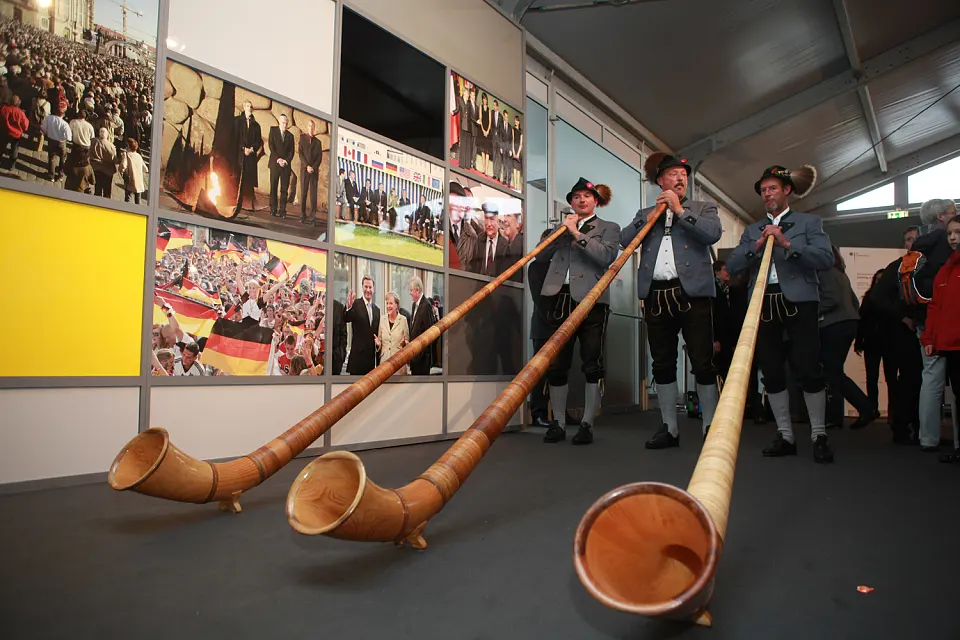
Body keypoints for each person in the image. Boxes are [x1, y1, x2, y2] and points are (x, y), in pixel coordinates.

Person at [727, 164, 836, 463]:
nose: (767, 194)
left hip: (800, 302)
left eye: (772, 188)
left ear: (787, 190)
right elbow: (734, 265)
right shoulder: (752, 230)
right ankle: (785, 435)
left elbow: (826, 258)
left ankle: (818, 435)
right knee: (771, 370)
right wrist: (758, 245)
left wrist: (787, 243)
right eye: (763, 190)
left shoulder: (809, 223)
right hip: (763, 304)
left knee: (808, 367)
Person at [625, 153, 723, 449]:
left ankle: (711, 428)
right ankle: (669, 428)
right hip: (656, 295)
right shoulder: (647, 212)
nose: (680, 178)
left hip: (693, 294)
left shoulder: (703, 208)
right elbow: (626, 240)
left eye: (684, 174)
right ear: (659, 181)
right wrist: (651, 215)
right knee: (662, 363)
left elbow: (712, 234)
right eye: (673, 174)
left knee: (702, 362)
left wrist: (679, 210)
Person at [537, 177, 621, 445]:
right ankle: (558, 422)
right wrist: (562, 231)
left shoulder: (609, 228)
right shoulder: (560, 227)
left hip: (592, 299)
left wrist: (576, 234)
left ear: (596, 201)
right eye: (576, 196)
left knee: (591, 361)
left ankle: (587, 422)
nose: (581, 200)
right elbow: (540, 255)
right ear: (570, 202)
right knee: (556, 363)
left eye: (586, 196)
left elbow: (606, 257)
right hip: (558, 297)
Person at [817, 246, 879, 429]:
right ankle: (838, 416)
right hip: (848, 323)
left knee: (832, 371)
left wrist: (813, 313)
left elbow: (831, 299)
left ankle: (865, 408)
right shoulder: (840, 273)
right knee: (834, 371)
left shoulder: (823, 271)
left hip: (832, 325)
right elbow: (854, 302)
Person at [920, 215, 960, 461]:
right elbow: (935, 307)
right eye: (950, 233)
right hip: (950, 345)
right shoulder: (945, 271)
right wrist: (929, 338)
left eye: (958, 232)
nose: (953, 237)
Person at [344, 275, 380, 375]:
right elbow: (346, 318)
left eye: (370, 287)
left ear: (373, 289)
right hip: (357, 361)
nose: (368, 290)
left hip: (371, 362)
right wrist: (348, 307)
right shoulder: (355, 304)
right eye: (366, 287)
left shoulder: (377, 310)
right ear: (362, 287)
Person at [407, 276, 437, 375]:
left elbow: (430, 333)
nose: (410, 293)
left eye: (411, 290)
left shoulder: (426, 306)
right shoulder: (414, 305)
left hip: (422, 359)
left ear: (417, 290)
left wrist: (421, 354)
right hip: (414, 357)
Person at [375, 292, 409, 374]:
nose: (388, 306)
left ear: (397, 305)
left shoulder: (403, 320)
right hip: (384, 363)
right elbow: (380, 341)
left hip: (399, 363)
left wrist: (405, 343)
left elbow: (408, 342)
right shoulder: (382, 319)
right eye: (387, 303)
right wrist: (378, 344)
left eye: (391, 303)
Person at [268, 113, 295, 218]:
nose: (285, 125)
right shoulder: (273, 130)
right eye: (283, 122)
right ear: (279, 122)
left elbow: (291, 152)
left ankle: (282, 210)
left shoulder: (290, 136)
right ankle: (273, 208)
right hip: (275, 163)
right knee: (273, 187)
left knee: (284, 189)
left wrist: (285, 161)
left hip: (286, 166)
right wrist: (278, 159)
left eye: (286, 123)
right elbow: (271, 146)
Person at [298, 119, 323, 225]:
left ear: (314, 128)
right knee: (303, 192)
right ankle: (302, 215)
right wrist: (307, 166)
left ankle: (312, 216)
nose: (311, 128)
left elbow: (319, 157)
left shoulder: (318, 142)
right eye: (309, 126)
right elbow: (300, 153)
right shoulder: (302, 138)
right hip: (304, 169)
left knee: (313, 194)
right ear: (307, 127)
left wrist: (313, 167)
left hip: (314, 171)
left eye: (312, 126)